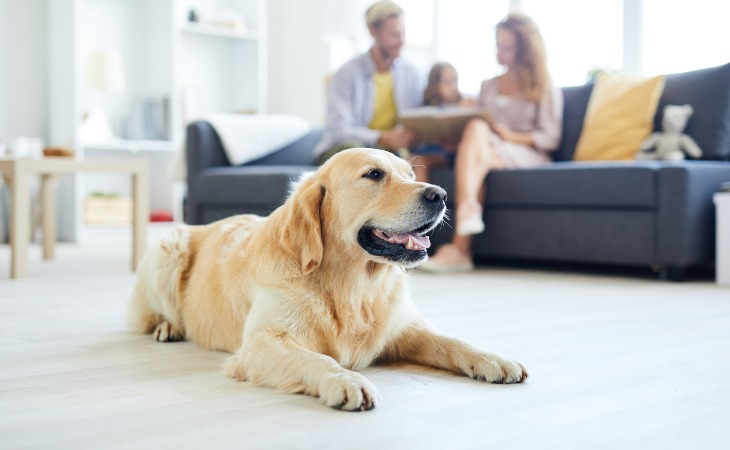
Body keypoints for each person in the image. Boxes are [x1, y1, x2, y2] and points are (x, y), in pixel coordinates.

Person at [421, 12, 563, 273]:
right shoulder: (488, 86)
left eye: (507, 47)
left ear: (525, 50)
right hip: (490, 150)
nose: (500, 51)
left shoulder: (543, 85)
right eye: (498, 45)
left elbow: (550, 137)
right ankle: (464, 229)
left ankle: (461, 244)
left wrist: (510, 135)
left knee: (477, 147)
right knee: (476, 129)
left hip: (527, 152)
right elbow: (478, 130)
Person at [313, 0, 424, 164]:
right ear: (374, 32)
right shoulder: (347, 73)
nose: (402, 41)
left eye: (403, 33)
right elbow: (338, 130)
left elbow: (421, 117)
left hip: (387, 154)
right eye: (394, 35)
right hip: (343, 150)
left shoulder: (412, 73)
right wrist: (381, 137)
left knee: (395, 159)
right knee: (360, 152)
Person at [413, 62, 477, 182]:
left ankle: (423, 200)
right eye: (448, 82)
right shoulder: (425, 109)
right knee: (409, 160)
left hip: (448, 154)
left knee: (419, 161)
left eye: (455, 81)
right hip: (427, 150)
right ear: (435, 84)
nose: (454, 87)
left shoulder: (464, 105)